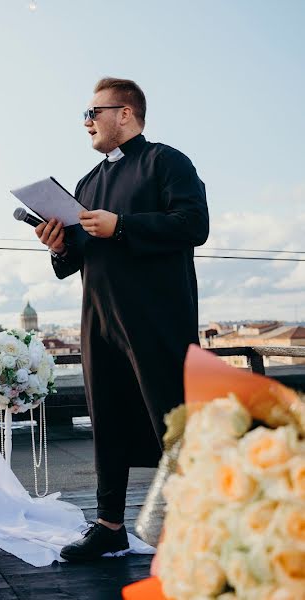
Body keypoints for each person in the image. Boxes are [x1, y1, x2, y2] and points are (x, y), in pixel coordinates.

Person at [35, 77, 209, 561]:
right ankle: (109, 524)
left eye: (93, 113)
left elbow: (195, 225)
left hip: (159, 317)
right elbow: (75, 259)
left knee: (173, 422)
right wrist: (59, 243)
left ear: (125, 114)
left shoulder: (166, 162)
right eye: (85, 115)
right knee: (106, 419)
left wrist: (123, 225)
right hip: (99, 319)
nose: (86, 123)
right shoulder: (87, 183)